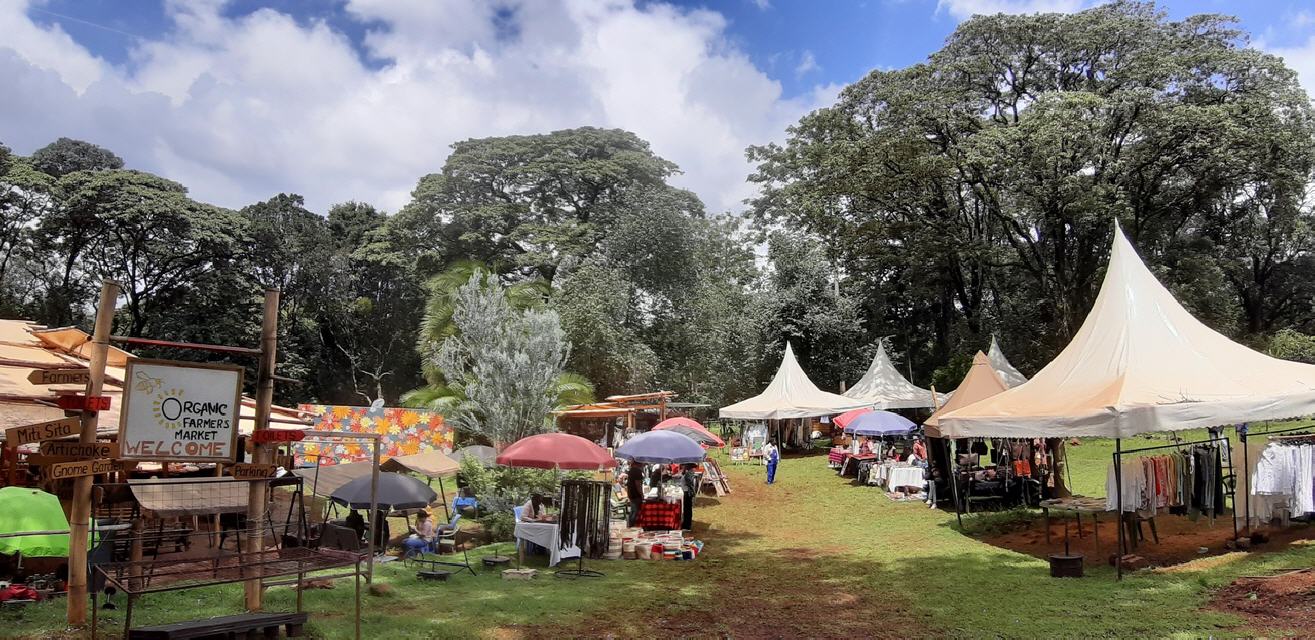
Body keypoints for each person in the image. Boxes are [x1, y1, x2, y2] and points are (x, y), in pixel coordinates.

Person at [680, 463, 698, 530]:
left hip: (687, 493)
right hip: (687, 492)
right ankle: (686, 524)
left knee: (687, 510)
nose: (694, 469)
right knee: (687, 509)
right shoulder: (688, 474)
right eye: (694, 468)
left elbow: (690, 485)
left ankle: (687, 525)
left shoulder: (689, 474)